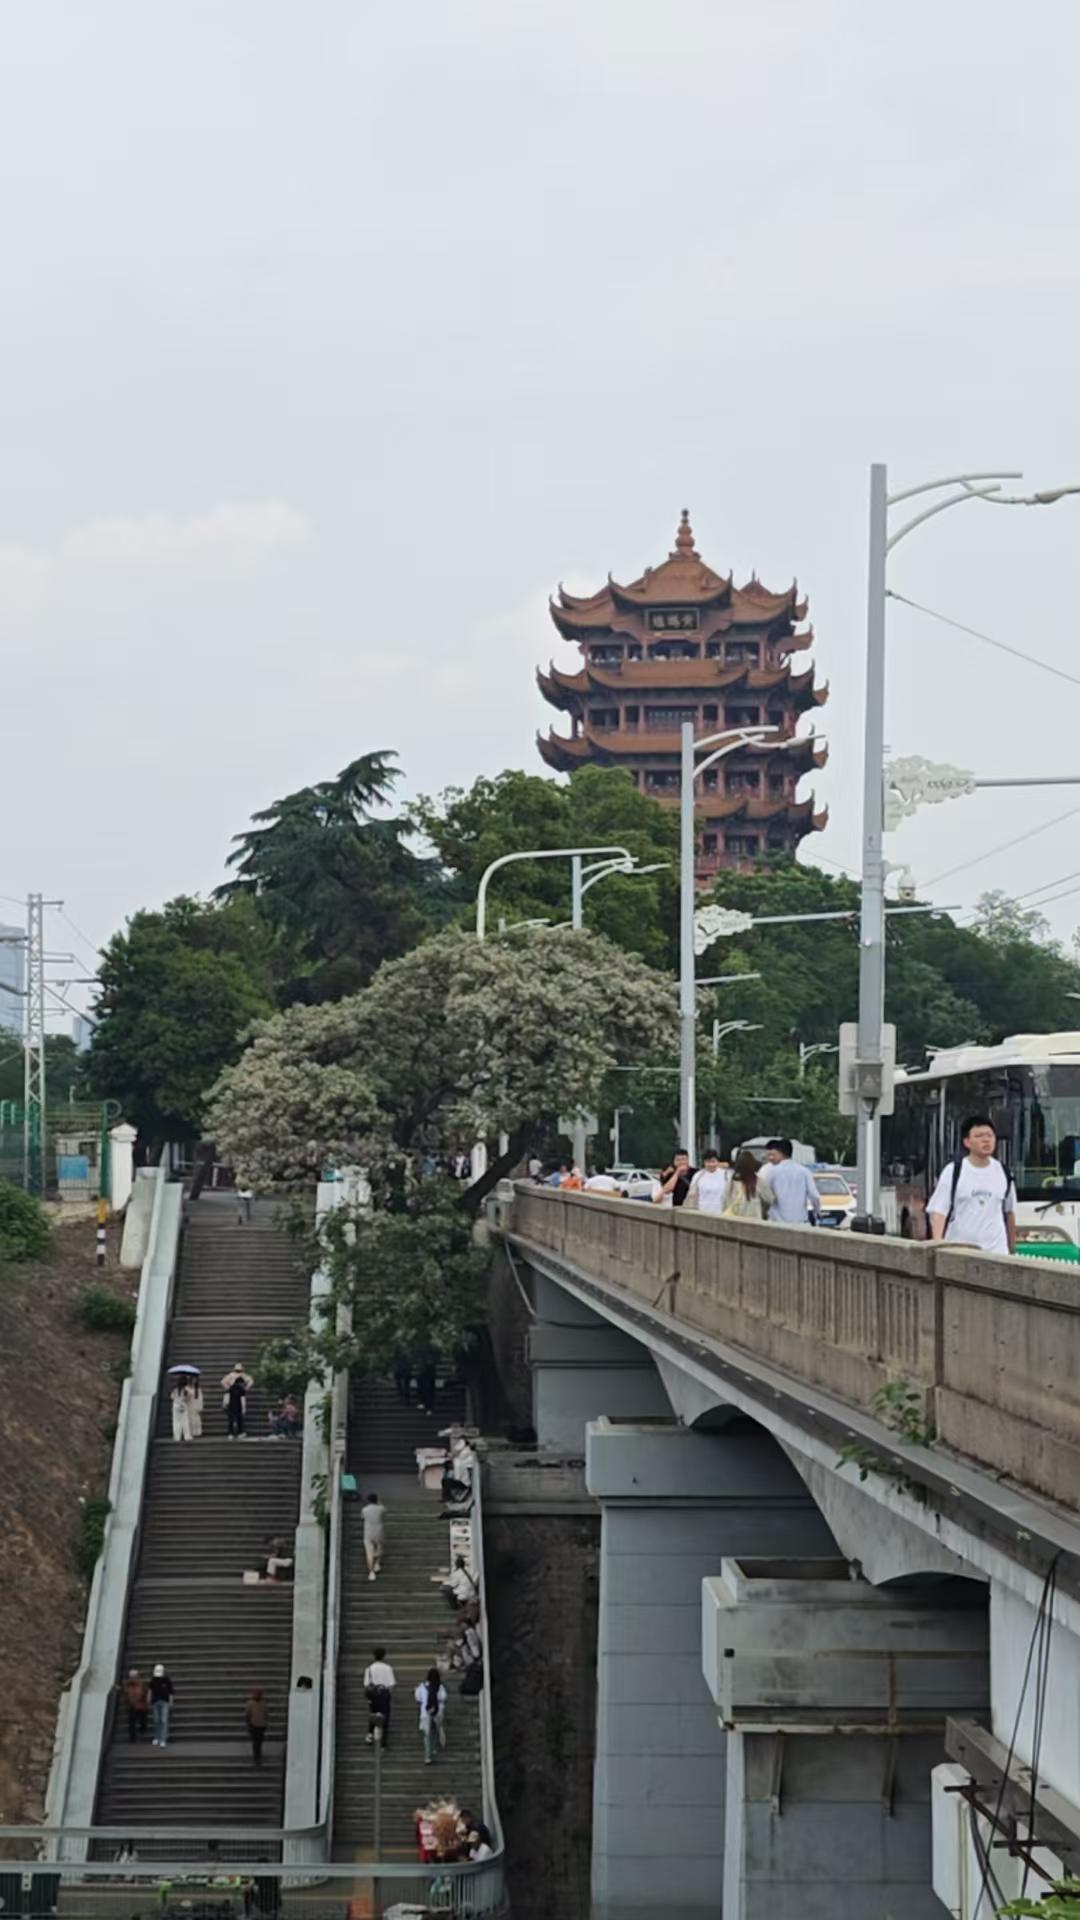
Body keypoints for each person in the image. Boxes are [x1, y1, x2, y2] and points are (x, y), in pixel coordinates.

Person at [928, 1114, 1017, 1255]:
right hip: (960, 1252)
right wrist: (938, 1247)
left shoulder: (1004, 1172)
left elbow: (1010, 1212)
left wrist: (1012, 1248)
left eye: (990, 1135)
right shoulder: (953, 1171)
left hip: (996, 1252)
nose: (986, 1140)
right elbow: (939, 1213)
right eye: (979, 1136)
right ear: (967, 1142)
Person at [758, 1141, 821, 1226]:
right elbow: (814, 1196)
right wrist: (817, 1212)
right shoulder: (804, 1171)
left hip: (777, 1223)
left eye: (773, 1155)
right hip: (800, 1223)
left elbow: (765, 1196)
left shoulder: (772, 1172)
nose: (770, 1158)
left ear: (781, 1154)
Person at [722, 1148, 770, 1221]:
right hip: (754, 1222)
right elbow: (769, 1200)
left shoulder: (731, 1182)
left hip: (734, 1221)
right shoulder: (758, 1181)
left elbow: (724, 1201)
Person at [364, 1646, 397, 1746]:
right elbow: (392, 1684)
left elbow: (366, 1684)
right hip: (384, 1694)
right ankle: (383, 1740)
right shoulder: (388, 1668)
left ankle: (370, 1734)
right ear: (384, 1656)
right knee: (385, 1716)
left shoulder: (369, 1669)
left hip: (373, 1695)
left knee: (373, 1713)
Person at [415, 1666, 447, 1764]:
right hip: (438, 1712)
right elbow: (444, 1697)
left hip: (426, 1712)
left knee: (426, 1734)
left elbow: (418, 1698)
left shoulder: (422, 1686)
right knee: (435, 1731)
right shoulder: (440, 1687)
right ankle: (434, 1748)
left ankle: (427, 1756)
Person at [688, 1148, 729, 1216]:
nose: (711, 1164)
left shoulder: (725, 1175)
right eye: (708, 1162)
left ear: (717, 1161)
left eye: (713, 1161)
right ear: (704, 1162)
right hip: (702, 1213)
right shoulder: (698, 1176)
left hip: (721, 1214)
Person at [221, 1362, 253, 1438]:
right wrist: (246, 1388)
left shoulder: (231, 1375)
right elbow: (251, 1381)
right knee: (239, 1418)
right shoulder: (243, 1375)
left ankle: (231, 1433)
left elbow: (222, 1382)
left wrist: (228, 1387)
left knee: (231, 1418)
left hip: (231, 1398)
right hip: (238, 1400)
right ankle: (240, 1432)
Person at [170, 1372, 202, 1442]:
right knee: (185, 1421)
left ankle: (177, 1437)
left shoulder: (176, 1389)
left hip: (175, 1406)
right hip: (183, 1406)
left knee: (176, 1422)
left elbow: (172, 1397)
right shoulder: (186, 1389)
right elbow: (191, 1395)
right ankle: (187, 1436)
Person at [361, 1491, 386, 1583]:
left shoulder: (364, 1510)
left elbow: (363, 1518)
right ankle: (377, 1563)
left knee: (369, 1553)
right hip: (379, 1531)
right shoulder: (381, 1508)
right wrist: (379, 1503)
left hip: (368, 1532)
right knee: (380, 1548)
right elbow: (384, 1515)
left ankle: (371, 1572)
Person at [149, 1663, 174, 1747]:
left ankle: (163, 1739)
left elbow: (170, 1692)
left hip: (164, 1702)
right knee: (156, 1720)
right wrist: (148, 1699)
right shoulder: (153, 1680)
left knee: (163, 1720)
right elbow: (150, 1690)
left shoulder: (167, 1680)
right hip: (155, 1701)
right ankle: (157, 1737)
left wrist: (171, 1702)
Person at [244, 1688, 268, 1767]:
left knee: (259, 1742)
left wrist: (265, 1723)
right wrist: (248, 1723)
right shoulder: (250, 1703)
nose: (257, 1696)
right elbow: (247, 1714)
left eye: (258, 1694)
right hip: (253, 1725)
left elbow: (266, 1714)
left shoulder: (263, 1703)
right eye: (255, 1694)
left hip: (261, 1725)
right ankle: (256, 1758)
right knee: (255, 1743)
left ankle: (258, 1757)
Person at [124, 1668, 149, 1743]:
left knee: (139, 1720)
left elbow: (145, 1692)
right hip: (134, 1705)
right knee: (133, 1722)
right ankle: (133, 1737)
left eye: (134, 1676)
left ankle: (136, 1734)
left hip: (140, 1705)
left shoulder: (140, 1683)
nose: (132, 1678)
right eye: (131, 1676)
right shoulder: (129, 1684)